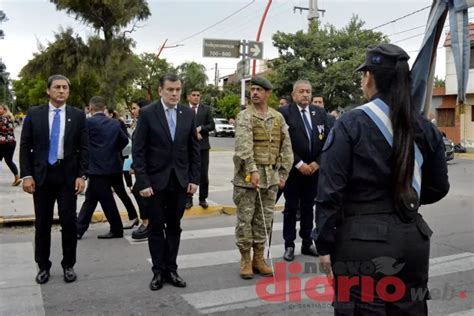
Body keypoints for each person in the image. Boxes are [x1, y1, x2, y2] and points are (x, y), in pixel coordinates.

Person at [313, 44, 450, 315]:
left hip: (361, 244)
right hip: (412, 238)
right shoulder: (423, 125)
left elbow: (330, 191)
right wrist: (403, 197)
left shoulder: (350, 123)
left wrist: (324, 244)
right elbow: (438, 187)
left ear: (369, 78)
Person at [133, 74, 200, 291]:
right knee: (155, 227)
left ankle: (171, 269)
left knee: (174, 226)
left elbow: (193, 150)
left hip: (179, 182)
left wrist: (194, 179)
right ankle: (158, 272)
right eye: (170, 89)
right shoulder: (147, 113)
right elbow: (139, 150)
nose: (174, 94)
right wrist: (142, 182)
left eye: (178, 89)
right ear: (161, 90)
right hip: (153, 183)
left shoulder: (188, 114)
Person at [20, 74, 89, 284]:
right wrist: (27, 175)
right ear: (48, 91)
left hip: (67, 176)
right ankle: (43, 265)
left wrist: (81, 175)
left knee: (69, 222)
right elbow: (25, 145)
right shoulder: (34, 114)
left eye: (65, 87)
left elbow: (84, 147)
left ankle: (68, 264)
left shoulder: (77, 116)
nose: (61, 91)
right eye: (57, 87)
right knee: (42, 222)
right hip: (42, 176)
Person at [233, 76, 293, 279]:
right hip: (248, 179)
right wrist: (252, 170)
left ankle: (259, 258)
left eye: (259, 89)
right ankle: (245, 259)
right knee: (245, 220)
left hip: (271, 178)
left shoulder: (278, 117)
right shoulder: (245, 117)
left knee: (265, 220)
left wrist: (283, 173)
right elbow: (243, 146)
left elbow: (286, 147)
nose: (255, 93)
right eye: (253, 89)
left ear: (268, 93)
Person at [278, 80, 331, 261]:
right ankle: (289, 244)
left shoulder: (320, 113)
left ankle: (307, 242)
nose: (305, 95)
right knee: (291, 208)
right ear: (294, 95)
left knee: (309, 207)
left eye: (308, 91)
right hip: (294, 170)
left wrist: (317, 162)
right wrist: (299, 163)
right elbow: (282, 143)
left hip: (314, 171)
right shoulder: (284, 113)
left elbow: (328, 141)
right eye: (301, 91)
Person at [76, 96, 129, 239]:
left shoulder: (87, 123)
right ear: (104, 108)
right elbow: (124, 141)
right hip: (114, 166)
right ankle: (79, 228)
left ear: (91, 108)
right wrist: (112, 150)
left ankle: (117, 229)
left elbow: (82, 144)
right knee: (91, 198)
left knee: (106, 200)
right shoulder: (115, 123)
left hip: (96, 167)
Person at [107, 108, 139, 229]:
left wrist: (115, 151)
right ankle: (80, 225)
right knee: (92, 197)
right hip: (105, 165)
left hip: (116, 162)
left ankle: (133, 217)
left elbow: (125, 141)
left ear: (110, 114)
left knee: (120, 191)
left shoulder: (116, 123)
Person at [185, 88, 215, 209]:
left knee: (203, 174)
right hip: (187, 147)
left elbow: (212, 125)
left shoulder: (206, 109)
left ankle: (203, 198)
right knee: (188, 173)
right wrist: (193, 132)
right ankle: (188, 199)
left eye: (198, 95)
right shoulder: (183, 109)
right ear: (188, 97)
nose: (196, 97)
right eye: (194, 95)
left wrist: (201, 128)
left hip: (203, 147)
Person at [129, 99, 152, 240]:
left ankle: (147, 222)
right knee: (139, 191)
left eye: (135, 108)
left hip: (148, 167)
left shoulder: (148, 124)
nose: (132, 111)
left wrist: (137, 166)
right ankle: (147, 222)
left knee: (139, 191)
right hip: (141, 166)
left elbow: (146, 148)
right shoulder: (140, 123)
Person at [0, 104, 22, 186]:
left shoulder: (2, 118)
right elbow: (16, 125)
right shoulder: (11, 118)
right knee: (9, 160)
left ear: (5, 110)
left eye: (0, 109)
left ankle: (17, 177)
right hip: (11, 142)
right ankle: (17, 177)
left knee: (8, 160)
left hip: (3, 143)